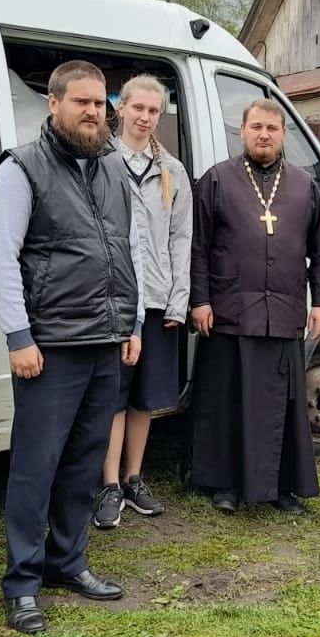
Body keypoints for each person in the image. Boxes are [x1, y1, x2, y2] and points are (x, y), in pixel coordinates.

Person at [0, 60, 143, 635]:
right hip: (49, 347)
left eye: (101, 103)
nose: (93, 112)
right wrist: (18, 336)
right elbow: (0, 256)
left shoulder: (114, 169)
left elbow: (127, 250)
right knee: (35, 467)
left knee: (82, 464)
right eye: (82, 102)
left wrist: (134, 324)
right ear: (53, 104)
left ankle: (67, 561)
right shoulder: (21, 169)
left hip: (106, 340)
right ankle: (22, 583)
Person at [189, 99, 320, 514]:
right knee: (229, 401)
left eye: (272, 128)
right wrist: (199, 299)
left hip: (284, 312)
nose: (264, 134)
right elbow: (197, 247)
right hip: (230, 310)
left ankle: (281, 487)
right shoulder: (217, 180)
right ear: (243, 130)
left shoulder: (304, 185)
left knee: (282, 405)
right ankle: (226, 485)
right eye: (256, 127)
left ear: (284, 134)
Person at [93, 75, 193, 529]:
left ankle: (134, 477)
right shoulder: (98, 161)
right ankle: (108, 484)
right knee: (112, 395)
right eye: (138, 108)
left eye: (154, 111)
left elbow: (181, 239)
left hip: (155, 301)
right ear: (121, 108)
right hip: (113, 301)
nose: (145, 117)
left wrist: (177, 302)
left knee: (145, 398)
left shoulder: (171, 171)